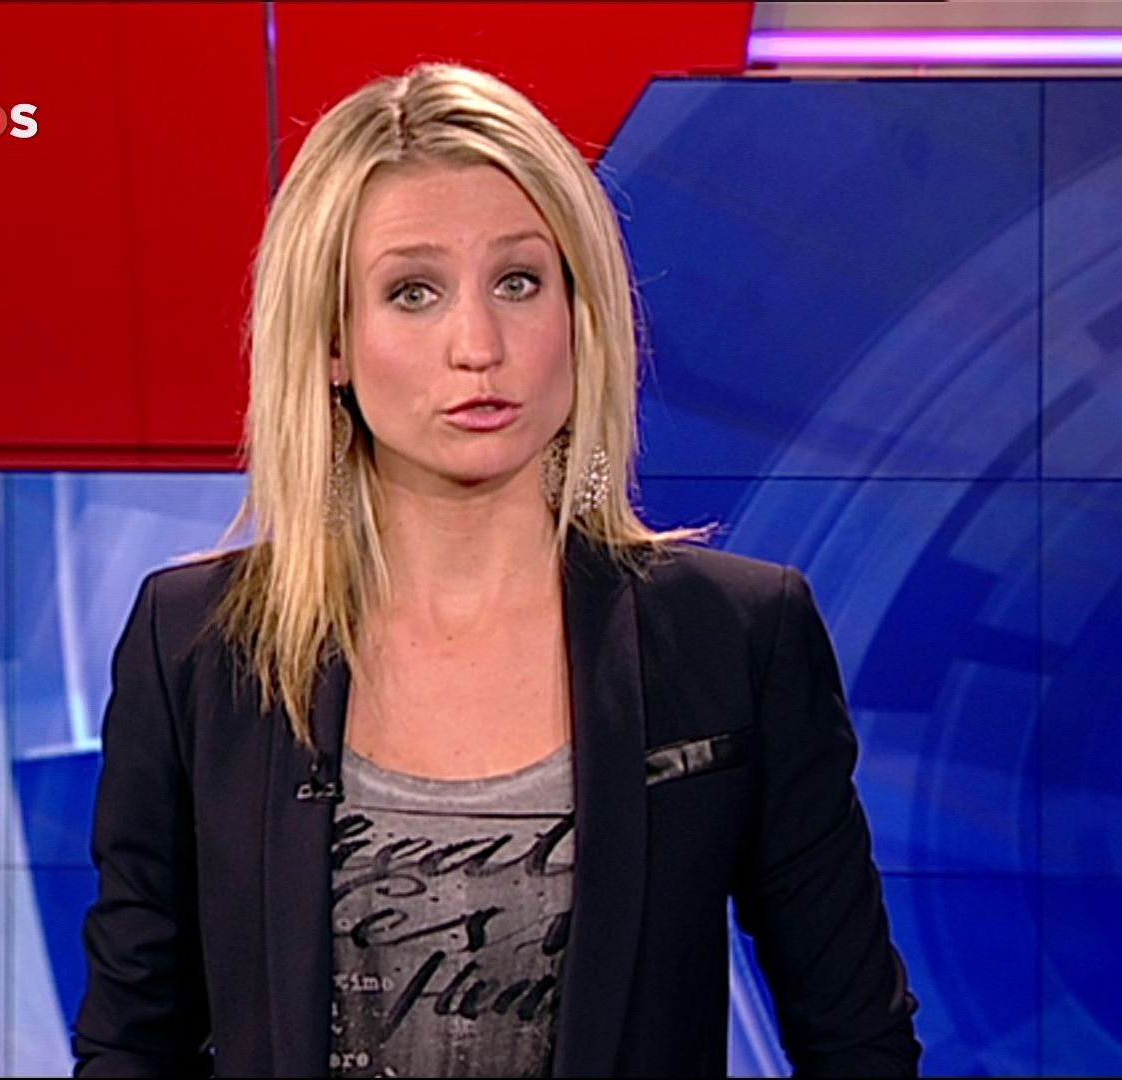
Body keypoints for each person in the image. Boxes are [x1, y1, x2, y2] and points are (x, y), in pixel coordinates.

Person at [71, 62, 920, 1079]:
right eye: (413, 293)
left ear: (579, 310)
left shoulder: (734, 638)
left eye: (519, 283)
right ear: (333, 341)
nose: (478, 346)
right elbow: (132, 1043)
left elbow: (856, 1039)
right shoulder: (199, 645)